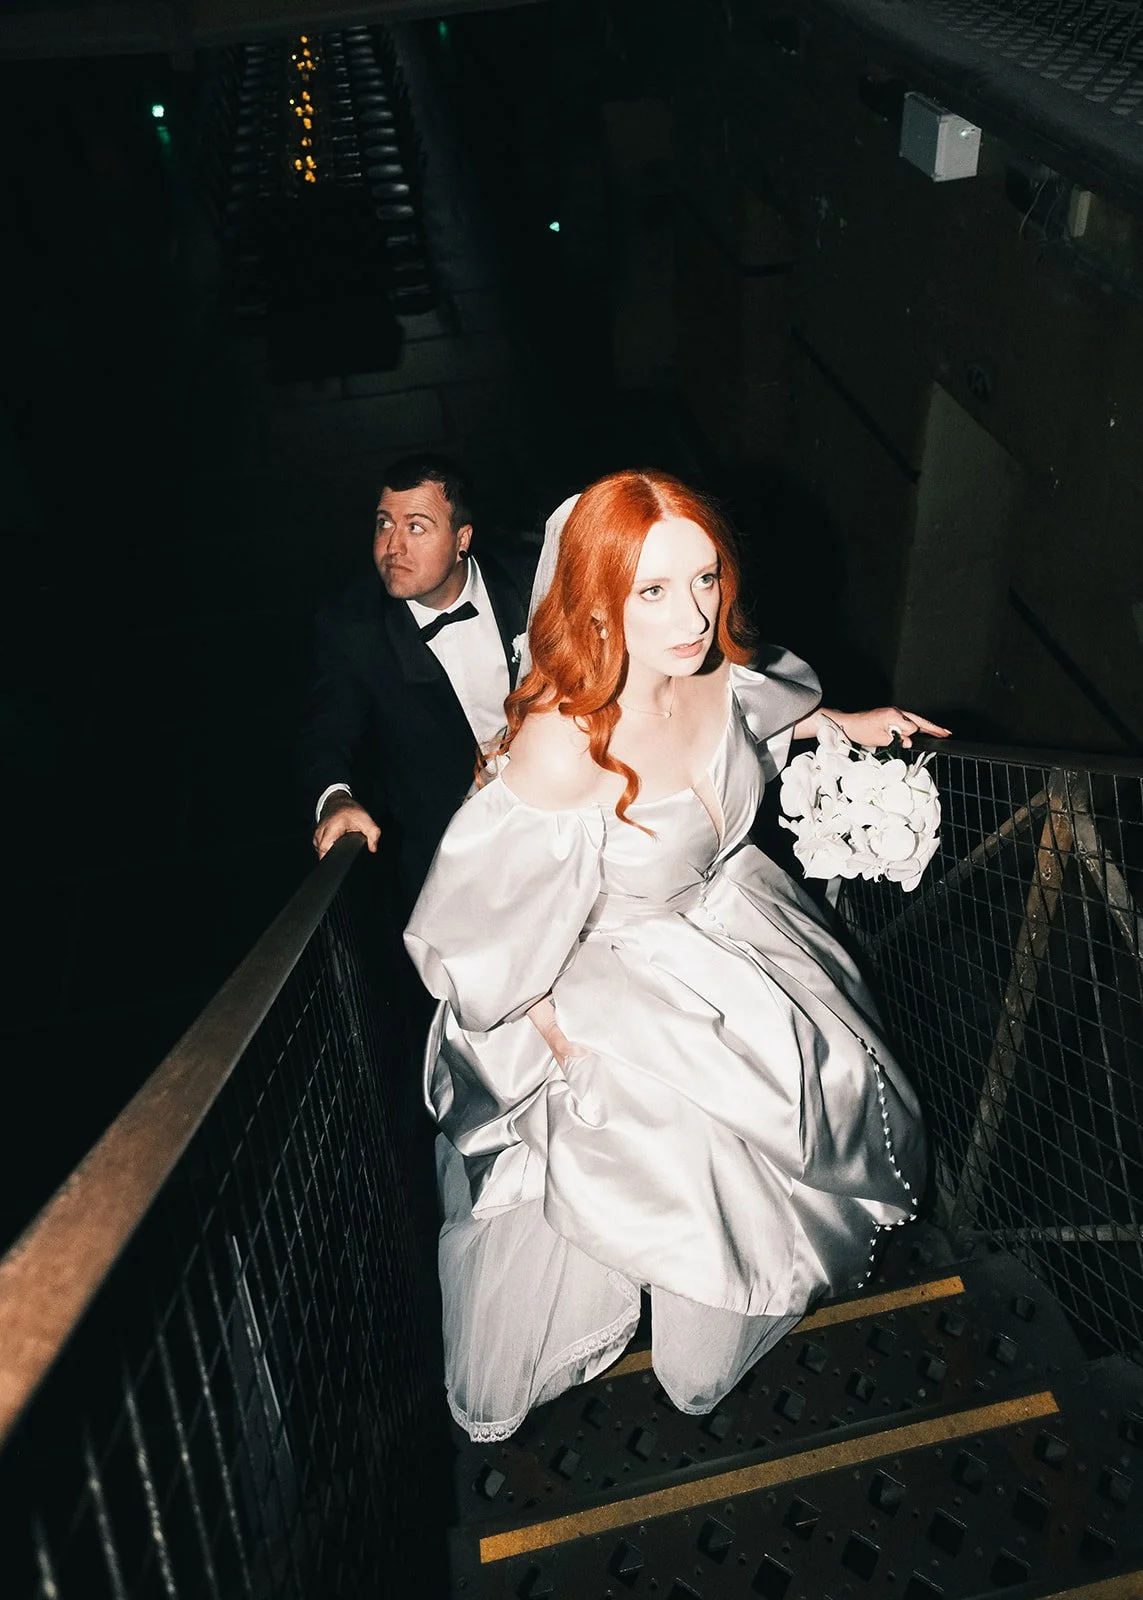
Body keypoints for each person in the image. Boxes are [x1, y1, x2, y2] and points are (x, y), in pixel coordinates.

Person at [404, 469, 949, 1442]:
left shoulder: (713, 667)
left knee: (795, 1130)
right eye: (653, 590)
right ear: (602, 596)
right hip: (616, 982)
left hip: (741, 933)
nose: (693, 612)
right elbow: (476, 932)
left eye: (704, 578)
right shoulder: (562, 747)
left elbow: (759, 714)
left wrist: (842, 723)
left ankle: (734, 1294)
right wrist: (564, 1046)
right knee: (670, 1202)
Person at [296, 454, 533, 911]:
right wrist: (336, 799)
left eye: (416, 527)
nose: (393, 547)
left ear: (462, 539)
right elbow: (324, 731)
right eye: (384, 524)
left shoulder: (530, 582)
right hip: (450, 855)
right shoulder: (352, 628)